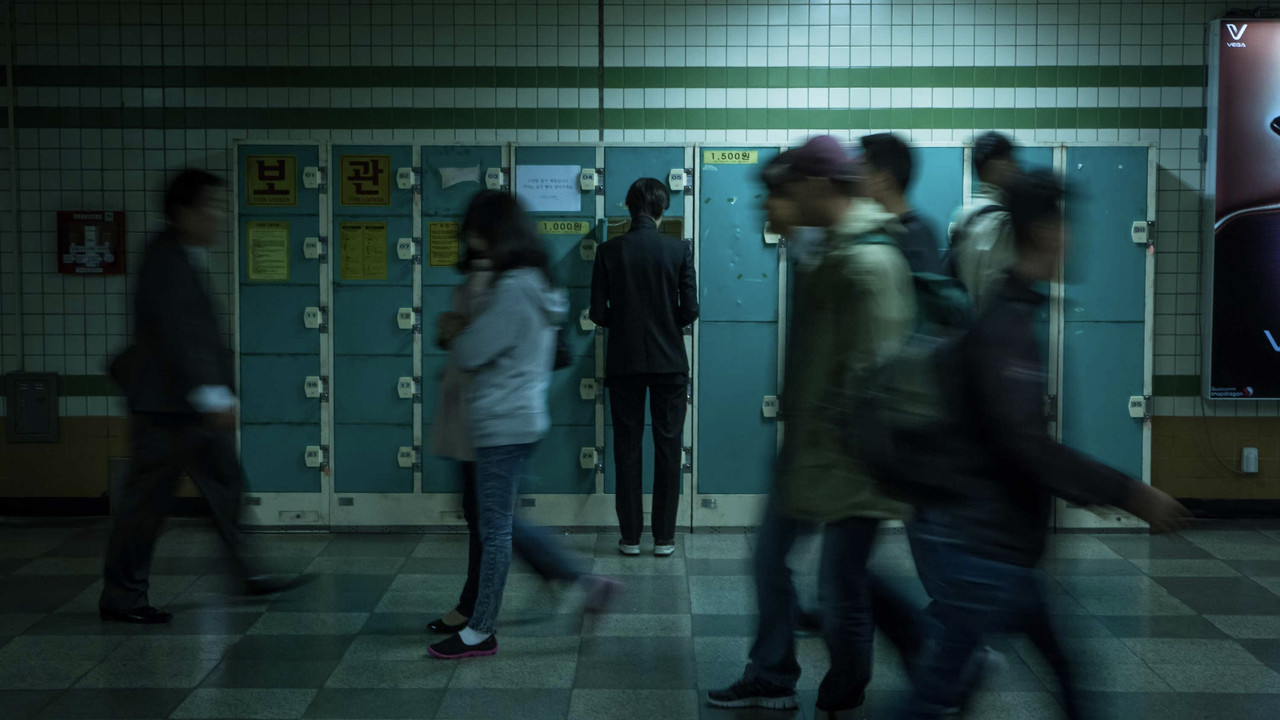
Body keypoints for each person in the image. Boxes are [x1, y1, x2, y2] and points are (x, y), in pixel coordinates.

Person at [900, 169, 1191, 720]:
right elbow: (1027, 445)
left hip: (994, 543)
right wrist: (1130, 492)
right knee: (941, 693)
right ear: (1045, 231)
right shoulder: (1006, 326)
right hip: (983, 547)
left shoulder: (1012, 313)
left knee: (1058, 673)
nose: (1073, 239)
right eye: (1066, 225)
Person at [707, 136, 922, 719]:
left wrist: (855, 454)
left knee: (842, 586)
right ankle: (777, 674)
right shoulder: (828, 251)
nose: (766, 206)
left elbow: (875, 379)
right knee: (787, 566)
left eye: (780, 193)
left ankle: (859, 689)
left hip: (850, 461)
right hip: (810, 453)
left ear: (815, 186)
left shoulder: (867, 262)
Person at [100, 169, 303, 624]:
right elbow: (180, 336)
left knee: (226, 485)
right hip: (167, 410)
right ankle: (122, 596)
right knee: (146, 505)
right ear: (183, 212)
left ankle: (248, 573)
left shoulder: (183, 256)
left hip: (185, 408)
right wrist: (214, 397)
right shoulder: (166, 260)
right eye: (209, 206)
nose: (218, 217)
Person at [428, 191, 618, 660]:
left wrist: (456, 331)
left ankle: (482, 630)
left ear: (494, 234)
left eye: (477, 235)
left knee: (495, 531)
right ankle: (581, 582)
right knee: (502, 523)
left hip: (502, 420)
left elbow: (472, 351)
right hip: (519, 416)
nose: (473, 245)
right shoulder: (538, 284)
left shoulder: (514, 288)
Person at [590, 178, 699, 557]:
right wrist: (667, 322)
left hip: (624, 363)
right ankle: (664, 538)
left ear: (629, 207)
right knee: (668, 447)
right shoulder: (678, 249)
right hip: (670, 363)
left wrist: (625, 323)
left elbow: (597, 313)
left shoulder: (608, 251)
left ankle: (631, 537)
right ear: (661, 209)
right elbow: (691, 310)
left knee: (627, 448)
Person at [947, 131, 1020, 310]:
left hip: (963, 318)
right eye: (1010, 161)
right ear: (995, 166)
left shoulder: (964, 214)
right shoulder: (1000, 223)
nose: (1016, 169)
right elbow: (992, 291)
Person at [860, 132, 944, 273]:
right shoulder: (894, 230)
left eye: (865, 171)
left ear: (885, 180)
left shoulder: (912, 237)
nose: (860, 179)